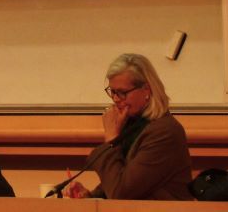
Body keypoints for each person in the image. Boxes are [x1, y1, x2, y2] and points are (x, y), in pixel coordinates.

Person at [64, 53, 193, 200]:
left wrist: (111, 140)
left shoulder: (165, 132)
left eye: (122, 93)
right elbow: (117, 181)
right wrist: (88, 197)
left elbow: (121, 192)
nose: (116, 99)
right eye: (113, 92)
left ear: (146, 90)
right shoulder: (133, 126)